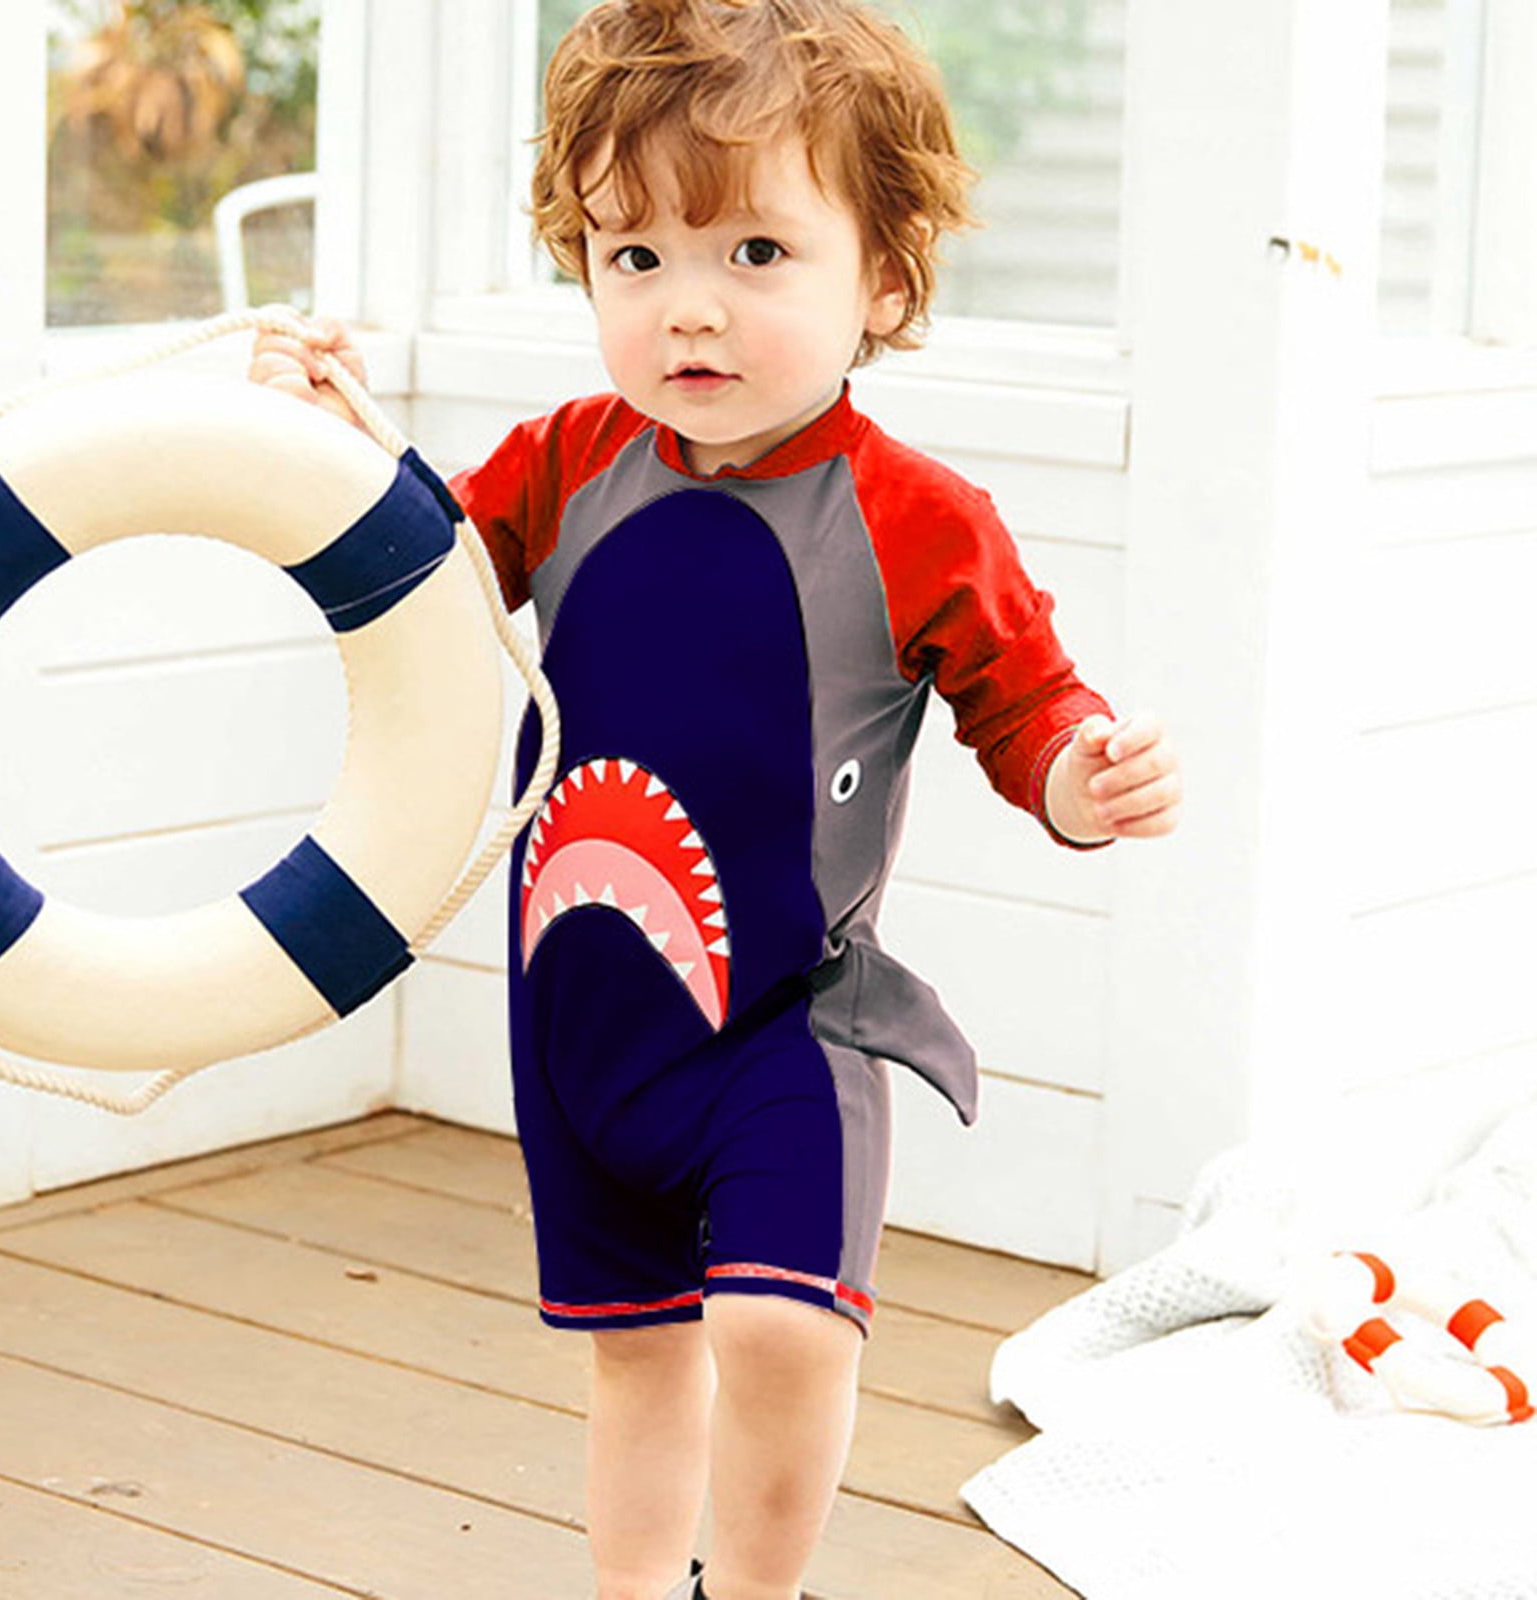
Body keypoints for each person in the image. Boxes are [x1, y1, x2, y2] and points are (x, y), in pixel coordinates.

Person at [252, 4, 1181, 1597]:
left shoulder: (918, 516)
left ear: (883, 281)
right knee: (634, 1348)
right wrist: (330, 451)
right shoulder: (564, 461)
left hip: (785, 1022)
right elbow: (417, 591)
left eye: (755, 252)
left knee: (779, 1320)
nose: (690, 305)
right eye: (636, 256)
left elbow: (1028, 704)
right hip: (586, 1020)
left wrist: (1087, 779)